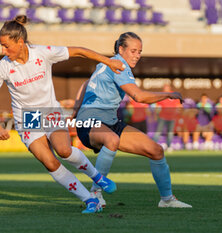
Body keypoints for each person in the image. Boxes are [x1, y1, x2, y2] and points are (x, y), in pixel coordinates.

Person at [0, 15, 125, 214]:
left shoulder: (42, 53)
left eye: (6, 46)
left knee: (64, 150)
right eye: (1, 46)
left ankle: (97, 176)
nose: (3, 51)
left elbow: (79, 52)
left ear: (20, 42)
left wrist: (108, 62)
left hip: (49, 111)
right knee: (50, 162)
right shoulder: (3, 66)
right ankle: (89, 200)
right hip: (27, 118)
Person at [73, 32, 192, 208]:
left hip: (110, 123)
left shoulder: (106, 63)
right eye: (133, 51)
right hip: (89, 122)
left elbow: (86, 83)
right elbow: (138, 96)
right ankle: (95, 193)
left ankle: (167, 200)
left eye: (140, 52)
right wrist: (169, 94)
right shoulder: (118, 65)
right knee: (111, 140)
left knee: (156, 151)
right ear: (121, 49)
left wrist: (75, 109)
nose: (137, 56)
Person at [152, 84, 180, 152]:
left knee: (170, 132)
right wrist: (155, 115)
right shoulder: (162, 95)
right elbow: (157, 106)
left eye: (167, 87)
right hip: (162, 117)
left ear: (169, 88)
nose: (165, 89)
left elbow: (178, 105)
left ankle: (169, 146)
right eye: (164, 87)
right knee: (158, 132)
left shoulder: (174, 95)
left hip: (172, 117)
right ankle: (153, 146)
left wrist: (178, 114)